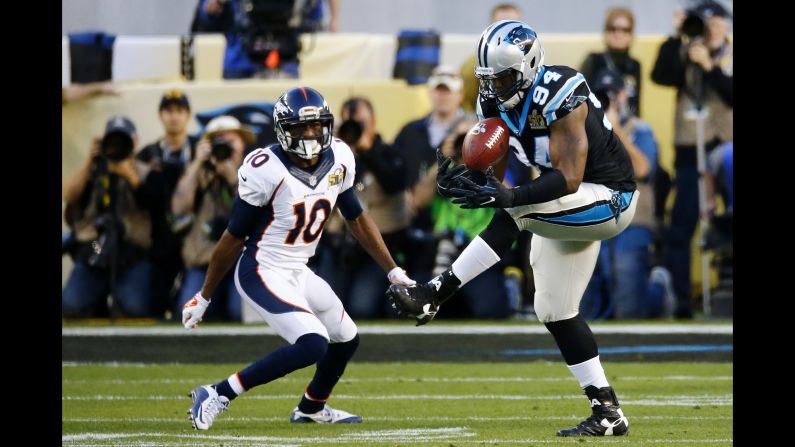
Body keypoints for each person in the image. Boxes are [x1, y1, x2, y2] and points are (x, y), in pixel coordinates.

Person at [388, 21, 636, 437]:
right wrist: (476, 178)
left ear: (530, 65)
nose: (495, 86)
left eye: (502, 77)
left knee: (519, 211)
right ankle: (607, 411)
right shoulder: (493, 102)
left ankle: (435, 293)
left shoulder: (561, 89)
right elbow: (498, 178)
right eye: (487, 79)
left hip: (611, 198)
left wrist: (510, 197)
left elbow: (570, 177)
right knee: (554, 309)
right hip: (567, 205)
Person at [182, 87, 416, 430]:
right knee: (313, 344)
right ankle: (217, 393)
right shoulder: (265, 167)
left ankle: (311, 407)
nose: (309, 135)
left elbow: (356, 217)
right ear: (282, 129)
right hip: (262, 270)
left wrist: (393, 270)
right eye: (300, 128)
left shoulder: (339, 157)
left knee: (347, 338)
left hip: (297, 269)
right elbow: (233, 237)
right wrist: (205, 295)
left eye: (315, 126)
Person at [651, 0, 732, 318]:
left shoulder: (728, 57)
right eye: (704, 23)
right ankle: (683, 302)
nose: (710, 29)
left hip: (726, 154)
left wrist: (711, 67)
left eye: (716, 23)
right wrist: (676, 35)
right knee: (680, 230)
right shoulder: (685, 54)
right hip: (689, 154)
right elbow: (660, 75)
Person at [579, 68, 676, 320]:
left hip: (632, 221)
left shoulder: (640, 129)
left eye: (613, 94)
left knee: (629, 311)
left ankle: (659, 289)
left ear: (625, 95)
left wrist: (613, 130)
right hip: (595, 221)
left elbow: (644, 169)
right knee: (587, 309)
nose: (608, 101)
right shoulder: (584, 132)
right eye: (602, 96)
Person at [314, 97, 411, 318]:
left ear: (374, 122)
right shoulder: (334, 158)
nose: (354, 129)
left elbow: (394, 183)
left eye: (361, 123)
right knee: (325, 306)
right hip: (341, 246)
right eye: (349, 124)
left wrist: (368, 150)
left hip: (379, 247)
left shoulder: (388, 153)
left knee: (361, 307)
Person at [63, 116, 156, 318]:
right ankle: (96, 303)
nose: (116, 147)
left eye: (122, 141)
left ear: (134, 142)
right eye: (111, 141)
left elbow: (153, 204)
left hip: (132, 254)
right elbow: (68, 195)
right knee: (70, 307)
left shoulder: (145, 171)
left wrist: (128, 174)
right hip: (95, 249)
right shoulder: (94, 171)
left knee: (135, 310)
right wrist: (89, 160)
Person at [172, 115, 255, 321]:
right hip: (204, 261)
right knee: (187, 312)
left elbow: (254, 213)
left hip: (241, 262)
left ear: (242, 144)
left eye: (230, 142)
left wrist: (231, 178)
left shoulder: (255, 175)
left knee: (239, 312)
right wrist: (197, 163)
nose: (224, 148)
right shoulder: (200, 175)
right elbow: (179, 208)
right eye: (219, 142)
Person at [136, 89, 198, 318]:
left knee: (189, 306)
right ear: (160, 115)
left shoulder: (198, 149)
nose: (174, 116)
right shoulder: (147, 154)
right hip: (159, 241)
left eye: (180, 111)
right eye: (169, 111)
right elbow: (140, 199)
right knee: (152, 306)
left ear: (188, 115)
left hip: (194, 237)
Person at [579, 7, 642, 118]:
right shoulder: (593, 60)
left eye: (625, 29)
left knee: (643, 129)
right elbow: (578, 99)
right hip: (598, 123)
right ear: (605, 32)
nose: (618, 34)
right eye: (612, 28)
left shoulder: (635, 65)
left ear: (631, 34)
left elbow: (636, 106)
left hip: (628, 124)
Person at [460, 3, 522, 113]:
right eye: (501, 24)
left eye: (513, 24)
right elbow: (465, 104)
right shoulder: (474, 65)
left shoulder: (532, 59)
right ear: (491, 27)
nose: (508, 30)